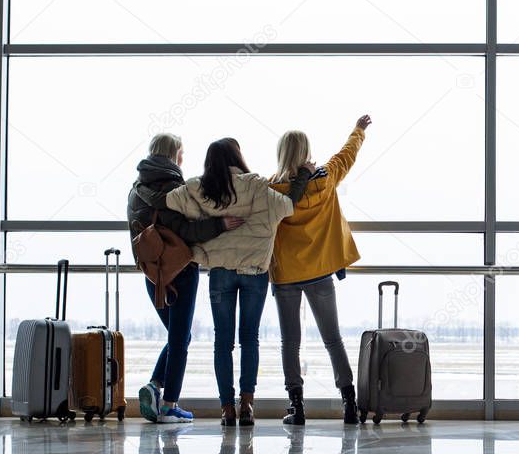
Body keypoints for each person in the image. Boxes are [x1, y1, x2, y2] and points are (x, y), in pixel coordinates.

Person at [165, 138, 313, 427]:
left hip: (220, 273)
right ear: (237, 157)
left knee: (223, 342)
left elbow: (171, 200)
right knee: (249, 339)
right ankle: (247, 405)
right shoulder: (256, 185)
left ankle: (226, 409)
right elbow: (287, 206)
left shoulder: (201, 188)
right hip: (255, 273)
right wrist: (304, 175)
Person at [127, 133, 244, 424]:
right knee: (180, 340)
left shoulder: (136, 189)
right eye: (181, 153)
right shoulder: (172, 188)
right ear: (174, 154)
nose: (183, 158)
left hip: (152, 271)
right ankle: (169, 405)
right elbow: (187, 232)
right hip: (180, 270)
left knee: (179, 335)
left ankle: (154, 385)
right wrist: (220, 225)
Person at [269, 114, 371, 426]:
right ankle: (349, 403)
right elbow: (347, 154)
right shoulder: (326, 179)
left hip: (286, 274)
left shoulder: (273, 190)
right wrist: (358, 130)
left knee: (291, 342)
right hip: (319, 273)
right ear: (306, 153)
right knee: (333, 339)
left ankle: (296, 406)